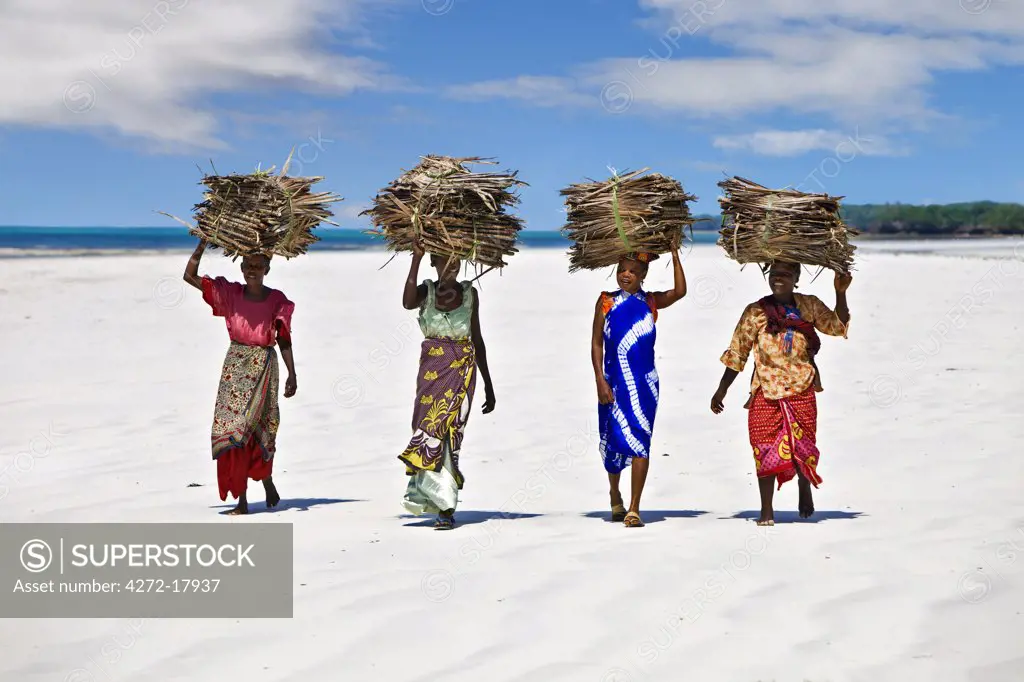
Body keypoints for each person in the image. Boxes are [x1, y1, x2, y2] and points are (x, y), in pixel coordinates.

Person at [711, 261, 852, 525]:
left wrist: (840, 292)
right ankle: (766, 510)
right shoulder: (755, 312)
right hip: (764, 388)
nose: (779, 279)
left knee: (801, 445)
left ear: (797, 278)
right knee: (762, 448)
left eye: (786, 275)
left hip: (801, 386)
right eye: (774, 274)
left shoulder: (808, 306)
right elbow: (738, 352)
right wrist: (721, 390)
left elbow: (837, 326)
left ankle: (803, 483)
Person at [183, 238, 297, 515]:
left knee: (259, 426)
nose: (252, 270)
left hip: (264, 365)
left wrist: (292, 373)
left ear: (267, 269)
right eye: (248, 265)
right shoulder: (230, 294)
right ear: (242, 267)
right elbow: (189, 276)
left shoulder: (276, 300)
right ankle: (242, 499)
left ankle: (266, 479)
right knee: (232, 429)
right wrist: (202, 245)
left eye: (258, 266)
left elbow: (283, 338)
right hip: (235, 365)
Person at [399, 239, 495, 530]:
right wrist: (415, 259)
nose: (451, 266)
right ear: (434, 262)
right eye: (444, 260)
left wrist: (489, 385)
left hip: (463, 374)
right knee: (427, 433)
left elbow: (477, 340)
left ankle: (446, 507)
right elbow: (406, 303)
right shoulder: (425, 293)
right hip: (431, 375)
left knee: (450, 436)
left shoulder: (469, 294)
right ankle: (431, 497)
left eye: (457, 260)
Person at [592, 246, 687, 528]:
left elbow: (679, 292)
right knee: (612, 440)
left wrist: (675, 254)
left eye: (633, 271)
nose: (626, 275)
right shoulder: (606, 302)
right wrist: (600, 379)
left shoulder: (651, 302)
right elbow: (597, 343)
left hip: (646, 384)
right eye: (622, 270)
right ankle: (614, 493)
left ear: (644, 275)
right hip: (613, 382)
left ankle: (634, 507)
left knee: (640, 441)